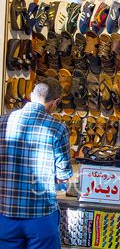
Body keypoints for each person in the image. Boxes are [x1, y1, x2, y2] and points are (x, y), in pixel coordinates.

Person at [0, 79, 72, 249]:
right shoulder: (57, 128)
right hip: (40, 217)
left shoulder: (2, 122)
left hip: (5, 215)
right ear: (56, 103)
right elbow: (63, 176)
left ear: (31, 96)